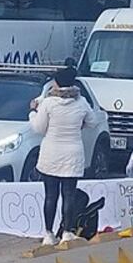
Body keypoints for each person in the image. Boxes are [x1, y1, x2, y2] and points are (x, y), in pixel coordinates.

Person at [28, 64, 103, 245]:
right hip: (73, 153)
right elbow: (92, 122)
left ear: (57, 84)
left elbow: (39, 128)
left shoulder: (48, 103)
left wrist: (32, 111)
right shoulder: (81, 102)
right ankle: (68, 232)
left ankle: (48, 234)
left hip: (51, 153)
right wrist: (80, 125)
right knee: (69, 194)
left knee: (50, 195)